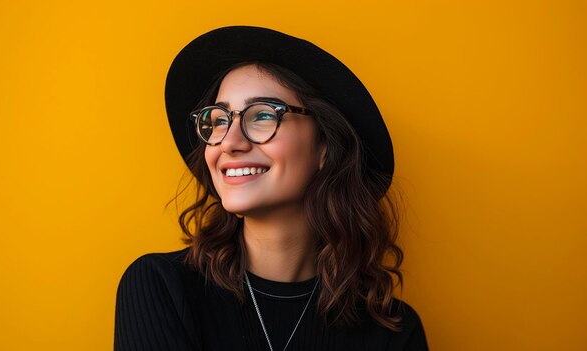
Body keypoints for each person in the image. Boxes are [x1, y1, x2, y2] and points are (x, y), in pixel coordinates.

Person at [114, 26, 428, 351]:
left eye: (262, 114)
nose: (229, 143)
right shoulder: (162, 287)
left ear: (325, 148)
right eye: (219, 120)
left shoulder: (393, 332)